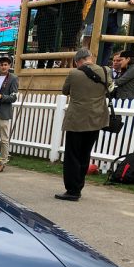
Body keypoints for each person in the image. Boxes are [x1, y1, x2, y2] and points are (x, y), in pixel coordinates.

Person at [56, 48, 110, 201]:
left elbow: (65, 91)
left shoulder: (74, 73)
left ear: (77, 61)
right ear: (90, 58)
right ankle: (79, 186)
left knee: (72, 155)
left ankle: (72, 190)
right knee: (85, 154)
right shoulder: (105, 71)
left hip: (77, 119)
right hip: (96, 118)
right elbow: (109, 88)